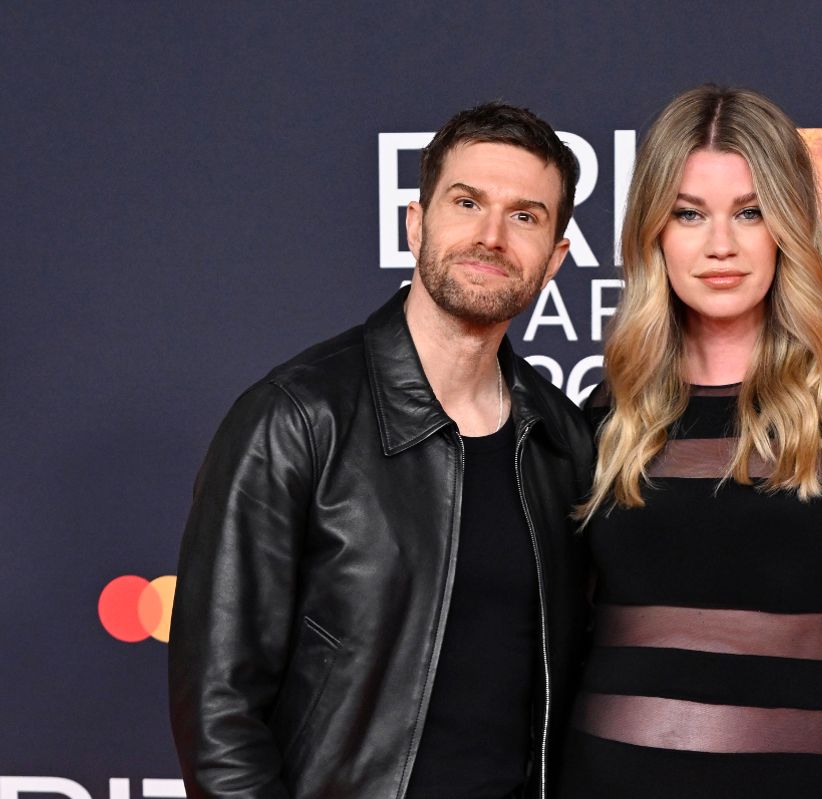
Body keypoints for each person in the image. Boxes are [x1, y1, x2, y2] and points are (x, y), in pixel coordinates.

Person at [168, 102, 595, 799]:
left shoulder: (560, 438)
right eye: (466, 202)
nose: (491, 236)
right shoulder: (296, 418)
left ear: (554, 258)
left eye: (525, 215)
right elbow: (219, 712)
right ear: (415, 223)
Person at [558, 86, 822, 799]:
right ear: (654, 232)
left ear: (789, 224)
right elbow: (563, 641)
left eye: (750, 212)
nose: (720, 245)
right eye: (689, 214)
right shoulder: (609, 412)